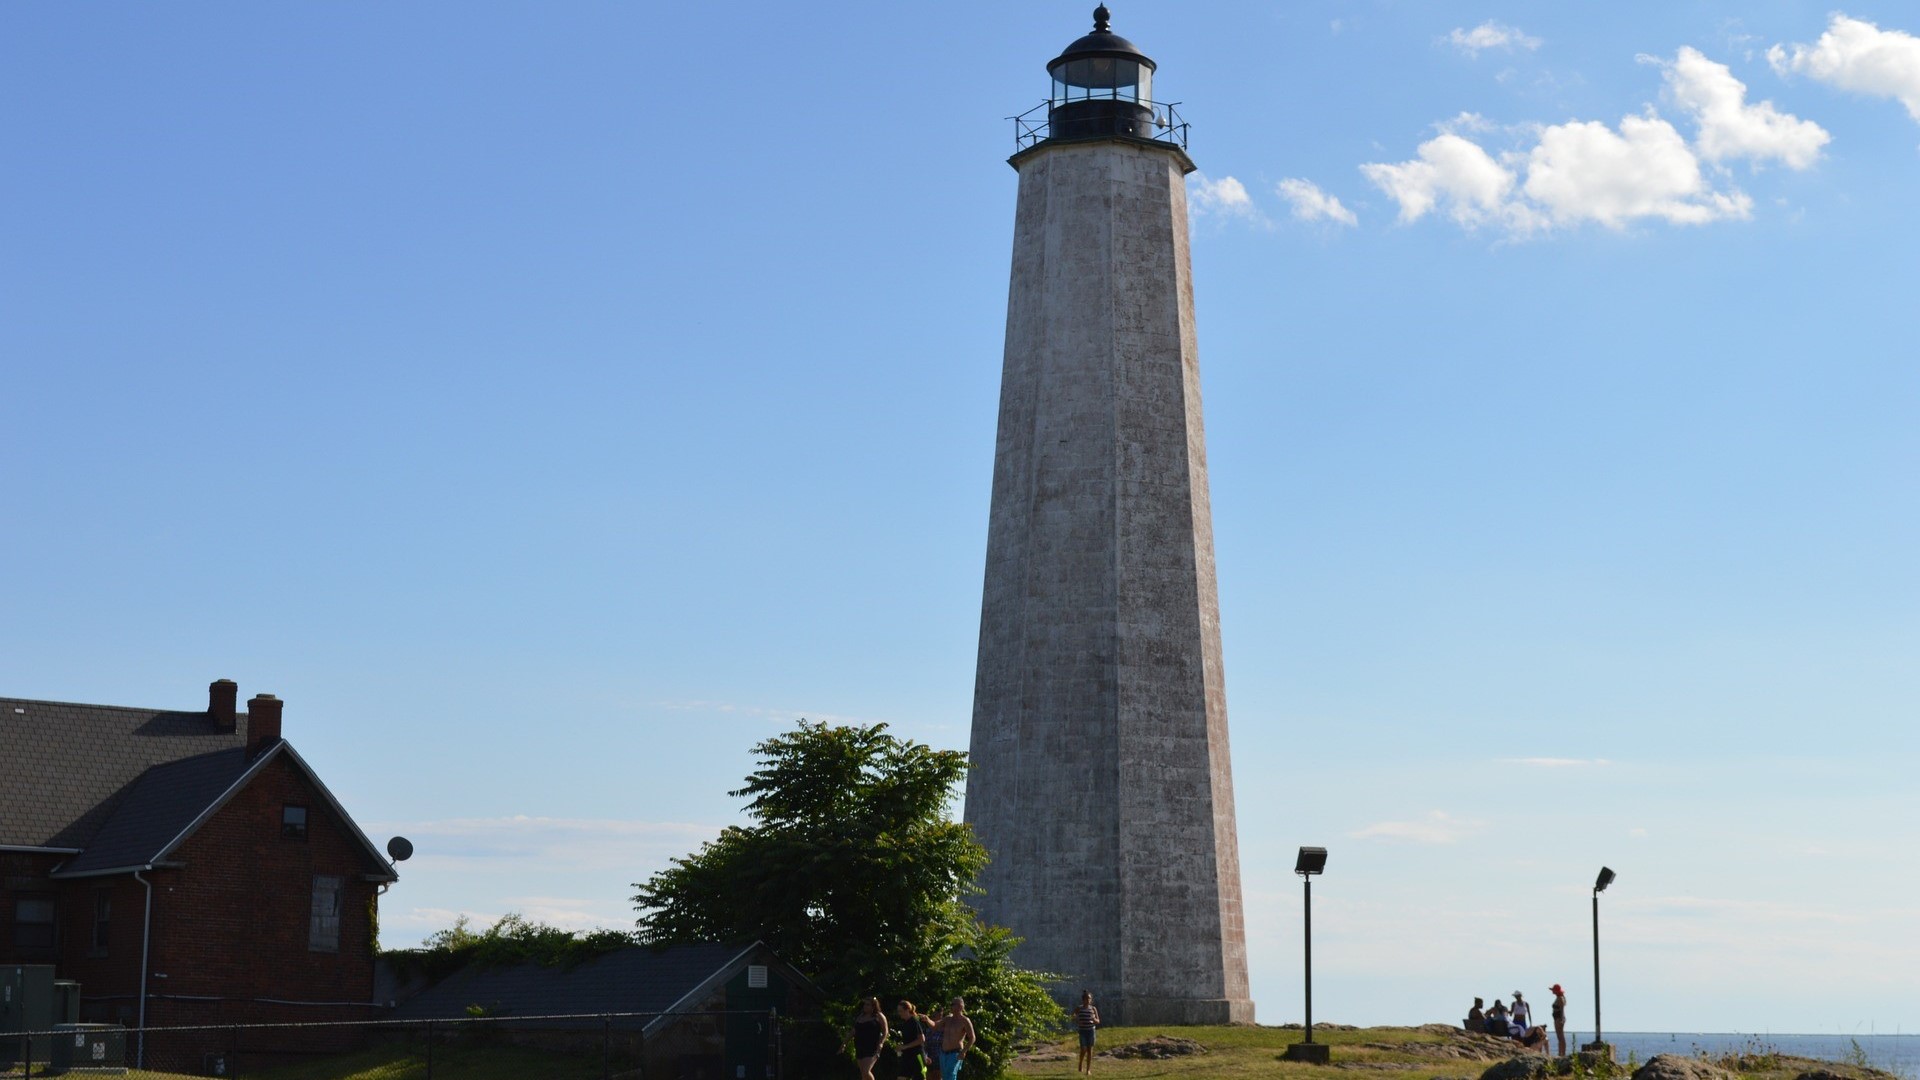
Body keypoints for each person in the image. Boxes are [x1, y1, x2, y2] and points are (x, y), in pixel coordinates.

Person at [936, 996, 976, 1080]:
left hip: (955, 1053)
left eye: (952, 1004)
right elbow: (935, 1026)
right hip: (943, 1053)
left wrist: (963, 1051)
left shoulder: (965, 1020)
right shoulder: (947, 1018)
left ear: (960, 1006)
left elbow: (972, 1038)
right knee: (944, 1076)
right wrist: (927, 1019)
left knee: (950, 1076)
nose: (950, 1006)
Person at [851, 996, 889, 1080]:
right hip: (860, 1046)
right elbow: (854, 1030)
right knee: (863, 1074)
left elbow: (885, 1031)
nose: (865, 1006)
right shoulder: (861, 1016)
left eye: (868, 1005)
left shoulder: (879, 1016)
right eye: (865, 1004)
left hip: (872, 1047)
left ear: (873, 1006)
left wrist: (881, 1043)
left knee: (866, 1071)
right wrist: (844, 1043)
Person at [895, 1000, 928, 1080]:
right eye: (898, 1011)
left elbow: (921, 1039)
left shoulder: (914, 1022)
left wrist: (905, 1046)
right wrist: (901, 1047)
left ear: (907, 1010)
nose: (899, 1013)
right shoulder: (905, 1023)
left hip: (917, 1055)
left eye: (901, 1011)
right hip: (907, 1055)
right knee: (901, 1077)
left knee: (919, 1078)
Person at [1074, 990, 1102, 1075]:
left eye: (1089, 999)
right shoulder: (1079, 1008)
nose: (1088, 1000)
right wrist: (1078, 1020)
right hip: (1082, 1031)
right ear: (1083, 1000)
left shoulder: (1093, 1008)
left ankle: (1088, 1070)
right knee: (1083, 1049)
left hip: (1091, 1031)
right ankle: (1080, 1062)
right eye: (1086, 999)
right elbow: (1073, 1016)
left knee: (1090, 1050)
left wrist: (1094, 1020)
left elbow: (1098, 1021)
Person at [1550, 984, 1568, 1056]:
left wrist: (1561, 1018)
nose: (1552, 991)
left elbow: (1562, 1010)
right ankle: (1560, 1052)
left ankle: (1562, 1053)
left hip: (1558, 1018)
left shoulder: (1560, 998)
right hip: (1557, 1017)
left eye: (1553, 990)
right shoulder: (1559, 997)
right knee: (1559, 1036)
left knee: (1560, 1036)